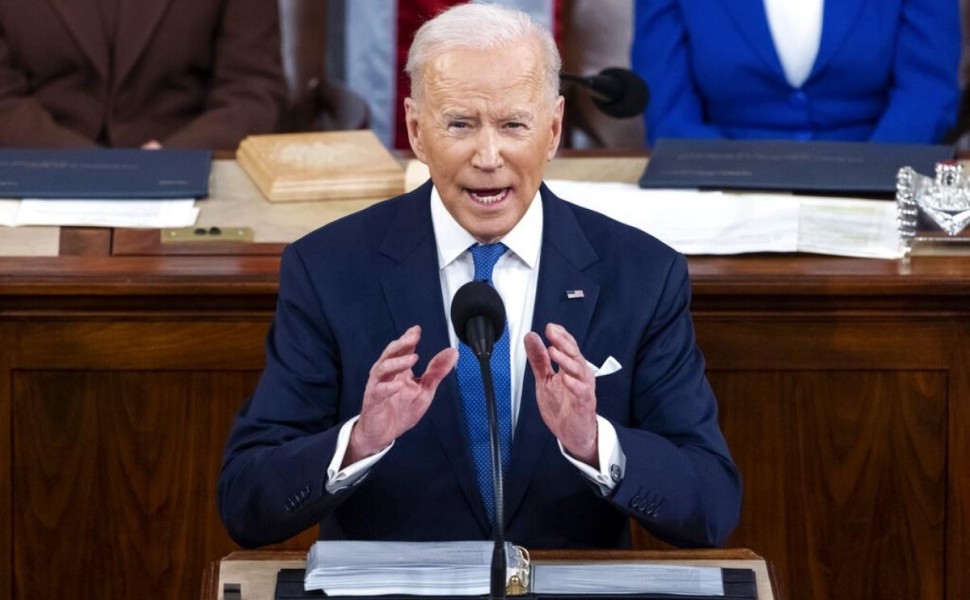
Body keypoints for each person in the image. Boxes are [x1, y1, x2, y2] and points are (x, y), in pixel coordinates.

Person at [218, 2, 741, 550]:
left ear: (554, 128)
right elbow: (246, 502)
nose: (488, 156)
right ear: (417, 131)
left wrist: (594, 444)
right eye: (460, 124)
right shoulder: (328, 268)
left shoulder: (642, 273)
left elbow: (710, 506)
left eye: (514, 125)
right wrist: (358, 442)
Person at [631, 0, 962, 148]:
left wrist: (867, 179)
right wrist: (733, 180)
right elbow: (666, 105)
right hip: (719, 190)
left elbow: (927, 91)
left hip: (877, 185)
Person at [0, 0, 286, 150]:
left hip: (187, 167)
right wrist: (80, 164)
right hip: (37, 162)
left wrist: (170, 158)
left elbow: (252, 89)